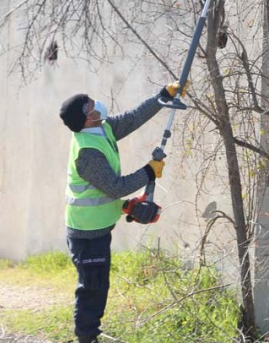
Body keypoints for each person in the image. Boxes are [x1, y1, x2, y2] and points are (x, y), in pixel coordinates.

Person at [59, 83, 186, 343]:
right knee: (92, 288)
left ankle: (89, 334)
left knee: (98, 284)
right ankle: (86, 338)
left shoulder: (102, 129)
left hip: (99, 226)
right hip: (86, 233)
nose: (97, 104)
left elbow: (133, 118)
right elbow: (116, 187)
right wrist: (149, 172)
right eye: (91, 105)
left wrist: (161, 97)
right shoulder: (87, 152)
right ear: (88, 117)